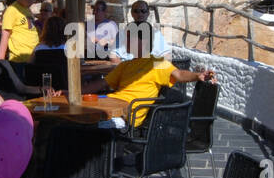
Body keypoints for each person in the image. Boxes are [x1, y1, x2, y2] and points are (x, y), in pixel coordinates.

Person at [82, 24, 214, 128]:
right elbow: (102, 83)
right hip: (108, 106)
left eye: (129, 38)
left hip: (124, 117)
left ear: (143, 42)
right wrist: (72, 92)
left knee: (83, 128)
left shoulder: (156, 63)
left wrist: (197, 75)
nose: (125, 41)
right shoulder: (125, 65)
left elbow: (179, 74)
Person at [0, 0, 39, 70]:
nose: (32, 2)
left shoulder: (27, 9)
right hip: (19, 61)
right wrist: (1, 60)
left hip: (33, 58)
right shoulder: (12, 10)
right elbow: (5, 36)